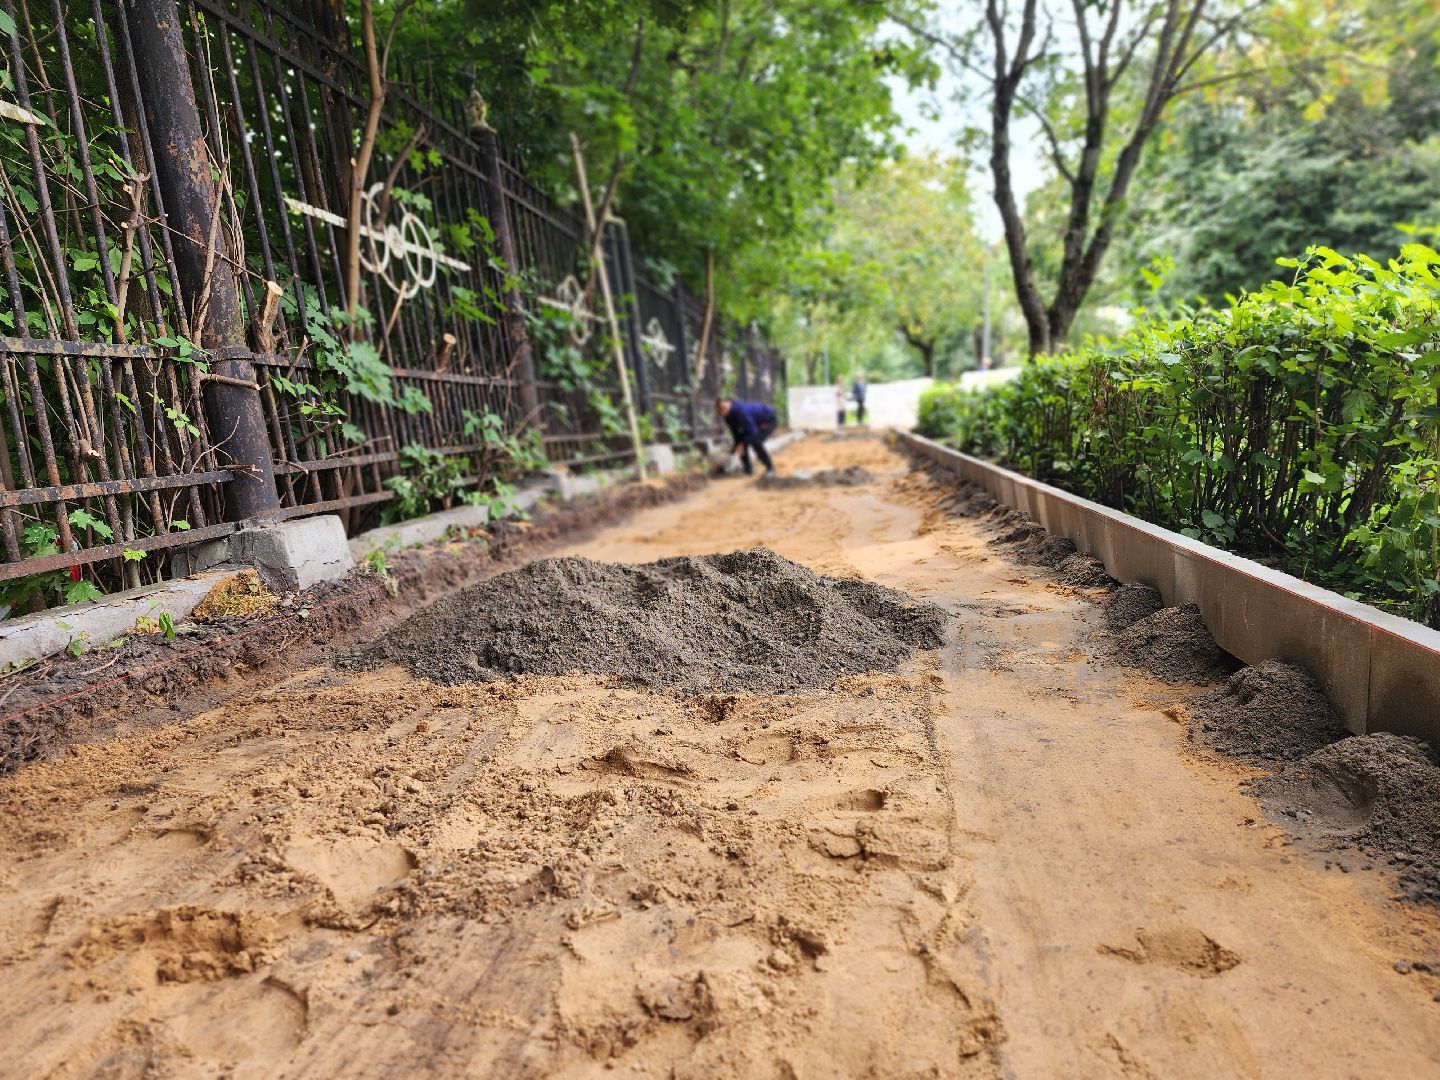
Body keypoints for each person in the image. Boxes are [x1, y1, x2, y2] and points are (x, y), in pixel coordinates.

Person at [716, 396, 777, 476]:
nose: (723, 412)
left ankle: (770, 468)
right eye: (720, 410)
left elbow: (753, 432)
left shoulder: (741, 411)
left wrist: (742, 444)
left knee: (756, 441)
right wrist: (736, 446)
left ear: (729, 402)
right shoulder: (728, 416)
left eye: (724, 407)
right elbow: (736, 433)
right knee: (741, 443)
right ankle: (748, 469)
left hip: (768, 420)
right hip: (754, 425)